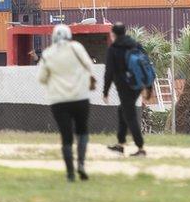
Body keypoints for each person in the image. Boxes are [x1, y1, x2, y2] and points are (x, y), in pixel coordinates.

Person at [37, 24, 94, 181]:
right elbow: (89, 65)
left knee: (66, 136)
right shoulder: (77, 47)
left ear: (53, 37)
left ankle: (70, 174)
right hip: (80, 98)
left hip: (59, 101)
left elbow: (41, 78)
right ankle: (81, 164)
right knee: (82, 131)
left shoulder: (48, 53)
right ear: (70, 35)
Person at [102, 23, 148, 157]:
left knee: (130, 115)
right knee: (122, 110)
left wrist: (105, 92)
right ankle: (120, 144)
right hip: (137, 85)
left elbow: (109, 72)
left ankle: (141, 148)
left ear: (113, 34)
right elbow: (145, 63)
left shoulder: (114, 49)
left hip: (124, 87)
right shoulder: (135, 44)